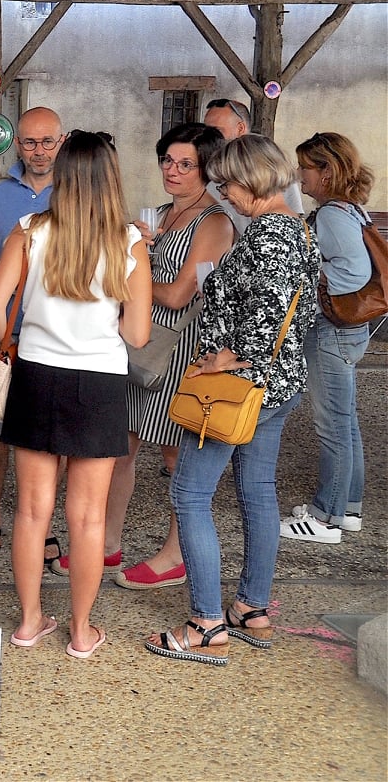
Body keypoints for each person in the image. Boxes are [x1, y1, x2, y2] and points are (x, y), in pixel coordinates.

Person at [146, 134, 319, 665]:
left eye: (227, 184)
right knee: (257, 490)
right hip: (281, 383)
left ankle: (205, 622)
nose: (223, 194)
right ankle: (251, 608)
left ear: (254, 180)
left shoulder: (267, 235)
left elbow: (262, 320)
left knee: (191, 494)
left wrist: (225, 355)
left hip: (238, 388)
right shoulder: (298, 232)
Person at [0, 131, 151, 660]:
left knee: (32, 511)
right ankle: (82, 632)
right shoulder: (129, 241)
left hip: (37, 375)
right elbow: (139, 335)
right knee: (88, 518)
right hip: (100, 382)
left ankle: (30, 622)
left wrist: (14, 341)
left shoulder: (30, 230)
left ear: (63, 175)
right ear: (111, 178)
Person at [96, 123, 233, 590]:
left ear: (208, 169)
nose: (172, 171)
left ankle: (175, 555)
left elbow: (177, 295)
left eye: (185, 164)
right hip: (142, 343)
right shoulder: (154, 214)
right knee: (120, 450)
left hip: (182, 349)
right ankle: (106, 545)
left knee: (178, 454)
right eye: (167, 161)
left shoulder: (213, 221)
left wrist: (133, 276)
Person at [0, 107, 63, 557]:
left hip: (58, 333)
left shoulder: (76, 191)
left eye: (47, 141)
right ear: (15, 144)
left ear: (61, 142)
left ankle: (38, 521)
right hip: (3, 326)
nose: (39, 151)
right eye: (29, 142)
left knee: (46, 433)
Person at [280, 132, 375, 544]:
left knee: (332, 426)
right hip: (347, 331)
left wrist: (309, 290)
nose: (300, 176)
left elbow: (354, 273)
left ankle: (325, 517)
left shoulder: (334, 215)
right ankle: (348, 508)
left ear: (327, 170)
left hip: (332, 332)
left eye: (306, 167)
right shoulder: (349, 210)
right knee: (345, 423)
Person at [203, 98, 303, 235]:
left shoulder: (269, 159)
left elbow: (294, 216)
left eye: (216, 131)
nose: (209, 137)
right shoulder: (212, 164)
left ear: (240, 128)